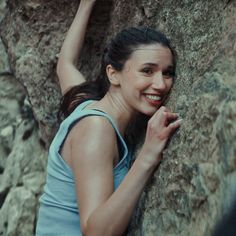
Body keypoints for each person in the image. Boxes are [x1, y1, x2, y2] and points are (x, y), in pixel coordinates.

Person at [36, 0, 182, 235]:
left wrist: (86, 5)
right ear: (113, 74)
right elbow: (96, 232)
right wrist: (148, 155)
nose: (160, 84)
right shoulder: (96, 128)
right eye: (147, 70)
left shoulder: (85, 104)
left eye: (168, 73)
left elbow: (65, 63)